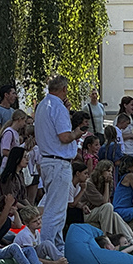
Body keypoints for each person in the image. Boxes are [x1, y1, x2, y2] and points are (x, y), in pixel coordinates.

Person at [35, 74, 83, 253]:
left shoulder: (42, 105)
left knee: (55, 209)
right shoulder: (57, 107)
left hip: (48, 161)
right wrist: (77, 132)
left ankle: (58, 250)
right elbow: (64, 136)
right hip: (58, 162)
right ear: (64, 89)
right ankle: (48, 252)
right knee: (55, 212)